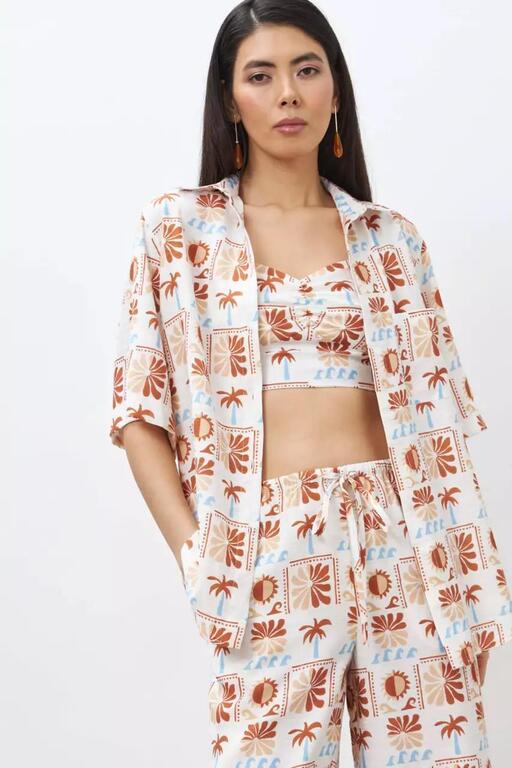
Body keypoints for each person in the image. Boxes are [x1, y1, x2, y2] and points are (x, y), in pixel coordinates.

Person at [109, 1, 512, 765]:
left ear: (335, 90)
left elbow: (439, 427)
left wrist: (464, 582)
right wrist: (200, 556)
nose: (287, 93)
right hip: (266, 545)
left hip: (405, 541)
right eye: (260, 76)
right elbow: (138, 413)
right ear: (231, 100)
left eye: (306, 69)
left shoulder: (392, 239)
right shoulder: (179, 230)